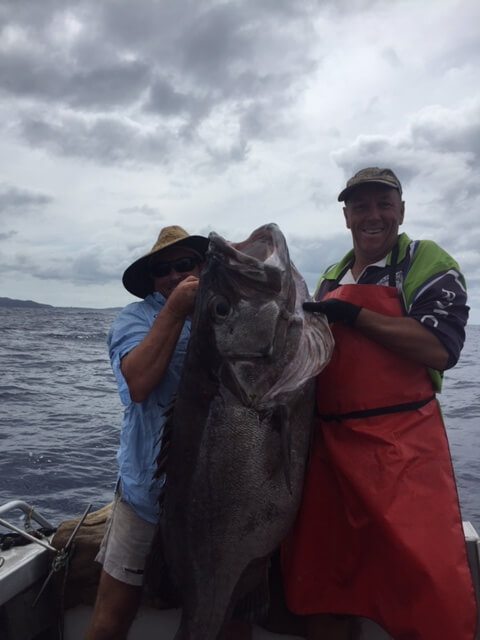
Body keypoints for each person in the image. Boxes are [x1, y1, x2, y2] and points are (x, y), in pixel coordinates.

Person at [281, 168, 478, 640]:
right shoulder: (330, 276)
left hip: (402, 454)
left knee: (427, 589)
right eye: (361, 206)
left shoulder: (426, 260)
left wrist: (354, 315)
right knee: (324, 587)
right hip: (329, 456)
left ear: (401, 210)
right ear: (346, 216)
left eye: (383, 204)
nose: (373, 215)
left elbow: (438, 348)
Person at [85, 226, 251, 640]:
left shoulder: (234, 311)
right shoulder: (134, 318)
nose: (175, 275)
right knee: (112, 616)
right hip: (145, 498)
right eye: (163, 269)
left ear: (204, 266)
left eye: (186, 264)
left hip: (222, 501)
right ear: (152, 279)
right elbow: (138, 385)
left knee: (231, 617)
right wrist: (175, 312)